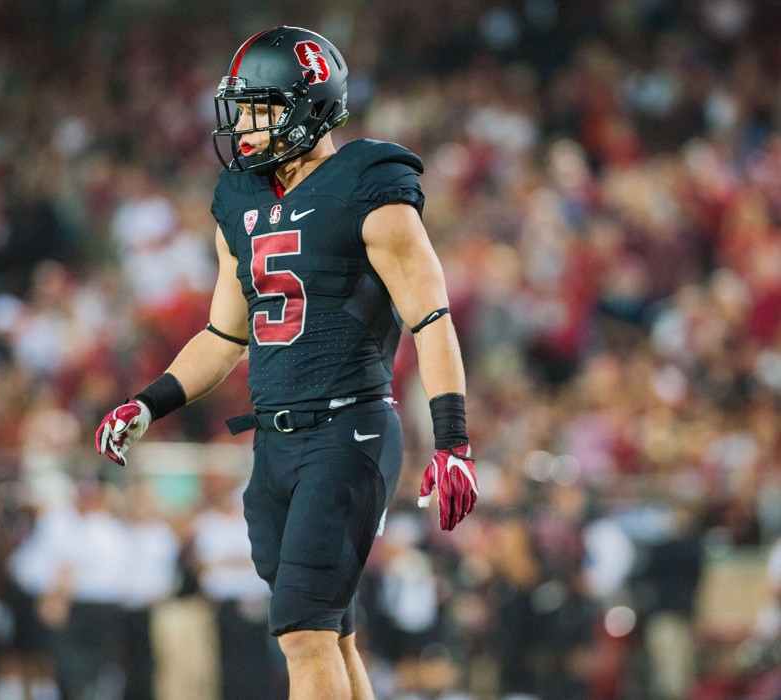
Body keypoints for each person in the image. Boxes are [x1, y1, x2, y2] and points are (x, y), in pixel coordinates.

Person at [96, 25, 478, 700]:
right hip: (275, 440)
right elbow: (222, 335)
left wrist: (452, 441)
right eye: (239, 108)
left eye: (260, 108)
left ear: (310, 105)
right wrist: (148, 402)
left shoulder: (369, 185)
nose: (242, 126)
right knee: (331, 635)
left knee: (303, 634)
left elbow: (432, 318)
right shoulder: (238, 201)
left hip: (347, 431)